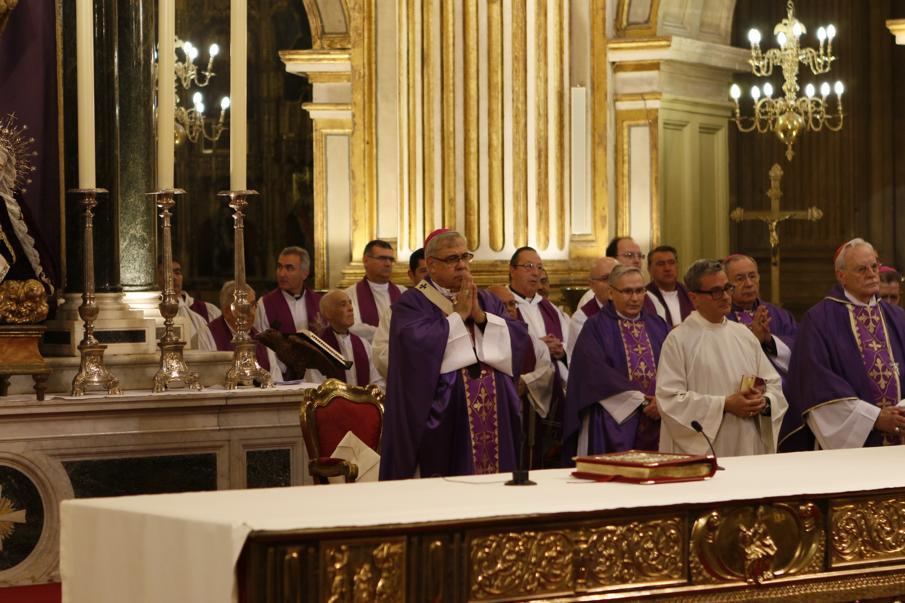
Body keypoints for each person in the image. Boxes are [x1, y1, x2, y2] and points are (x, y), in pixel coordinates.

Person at [379, 230, 531, 479]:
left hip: (494, 411)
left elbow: (518, 338)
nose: (461, 265)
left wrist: (480, 316)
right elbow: (414, 348)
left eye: (465, 257)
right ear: (431, 265)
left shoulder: (486, 299)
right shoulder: (412, 303)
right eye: (452, 259)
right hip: (445, 415)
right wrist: (458, 316)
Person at [781, 239, 905, 451]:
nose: (871, 274)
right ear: (841, 276)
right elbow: (817, 385)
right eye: (861, 269)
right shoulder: (819, 321)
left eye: (874, 266)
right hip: (853, 447)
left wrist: (901, 413)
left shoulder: (898, 317)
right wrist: (874, 418)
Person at [656, 259, 787, 457]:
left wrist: (764, 402)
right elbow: (670, 400)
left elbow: (772, 384)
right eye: (716, 292)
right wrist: (724, 404)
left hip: (748, 443)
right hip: (707, 451)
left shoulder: (744, 334)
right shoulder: (678, 340)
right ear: (694, 297)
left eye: (727, 288)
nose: (725, 296)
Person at [563, 265, 668, 461]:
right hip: (613, 421)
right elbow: (594, 372)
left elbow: (673, 367)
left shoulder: (658, 324)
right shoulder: (595, 326)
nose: (635, 298)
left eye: (639, 291)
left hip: (659, 416)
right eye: (627, 291)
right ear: (611, 293)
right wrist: (643, 401)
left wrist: (662, 401)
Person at [508, 246, 571, 467]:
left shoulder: (551, 309)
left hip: (552, 392)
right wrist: (538, 347)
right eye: (528, 267)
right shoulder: (502, 303)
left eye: (539, 267)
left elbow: (571, 345)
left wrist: (561, 351)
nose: (535, 273)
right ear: (512, 270)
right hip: (520, 391)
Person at [487, 284, 556, 430]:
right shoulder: (480, 339)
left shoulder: (530, 339)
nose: (509, 309)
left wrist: (527, 382)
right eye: (502, 305)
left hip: (524, 410)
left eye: (512, 304)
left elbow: (546, 369)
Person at [723, 254, 797, 377]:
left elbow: (800, 349)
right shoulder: (720, 318)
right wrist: (754, 340)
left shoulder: (779, 315)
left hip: (779, 385)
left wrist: (770, 340)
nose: (749, 284)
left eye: (752, 276)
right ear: (726, 285)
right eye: (740, 279)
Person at [201, 281, 281, 380]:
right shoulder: (208, 335)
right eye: (245, 307)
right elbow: (208, 378)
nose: (252, 312)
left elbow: (276, 380)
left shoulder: (263, 340)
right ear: (227, 311)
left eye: (253, 305)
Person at [305, 290, 384, 388]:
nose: (350, 308)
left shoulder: (364, 345)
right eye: (343, 305)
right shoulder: (317, 349)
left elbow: (377, 381)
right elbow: (317, 387)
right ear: (328, 313)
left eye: (350, 303)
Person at [371, 248, 427, 378]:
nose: (429, 277)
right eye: (424, 271)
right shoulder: (399, 310)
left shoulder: (453, 304)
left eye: (433, 270)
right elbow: (381, 353)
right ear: (411, 275)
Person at [345, 240, 407, 343]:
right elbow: (352, 327)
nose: (388, 264)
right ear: (365, 260)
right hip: (367, 350)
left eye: (391, 259)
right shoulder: (349, 295)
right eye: (382, 258)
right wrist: (391, 335)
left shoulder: (403, 293)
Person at [254, 246, 322, 334]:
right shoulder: (265, 304)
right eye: (279, 267)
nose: (282, 274)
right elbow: (259, 340)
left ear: (305, 273)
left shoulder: (319, 303)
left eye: (289, 268)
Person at [157, 259, 220, 349]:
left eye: (177, 273)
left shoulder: (209, 311)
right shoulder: (151, 311)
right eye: (166, 273)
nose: (173, 278)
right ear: (156, 278)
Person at [567, 257, 618, 355]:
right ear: (592, 285)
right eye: (606, 278)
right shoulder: (582, 319)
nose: (613, 283)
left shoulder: (632, 312)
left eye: (617, 277)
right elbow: (584, 359)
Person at [643, 245, 693, 328]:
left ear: (677, 266)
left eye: (671, 263)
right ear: (649, 269)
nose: (667, 268)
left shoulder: (691, 294)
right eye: (660, 264)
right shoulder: (644, 297)